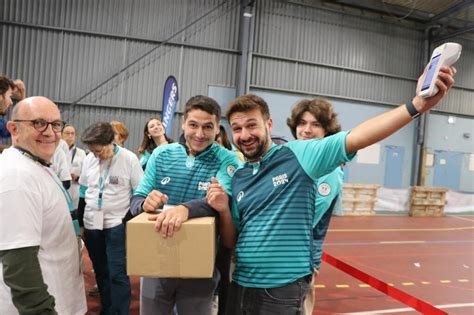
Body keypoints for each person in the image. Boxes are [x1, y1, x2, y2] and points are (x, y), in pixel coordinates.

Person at [204, 66, 456, 314]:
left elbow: (357, 136)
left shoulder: (300, 154)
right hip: (240, 283)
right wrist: (224, 209)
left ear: (269, 124)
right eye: (237, 129)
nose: (245, 135)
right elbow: (230, 240)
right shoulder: (239, 176)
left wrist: (415, 106)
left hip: (280, 289)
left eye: (252, 125)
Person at [130, 95, 242, 315]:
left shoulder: (227, 160)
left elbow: (220, 201)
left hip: (199, 266)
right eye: (193, 125)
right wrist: (145, 203)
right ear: (183, 124)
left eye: (208, 127)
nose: (199, 134)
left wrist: (185, 209)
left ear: (218, 128)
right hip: (156, 261)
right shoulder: (162, 154)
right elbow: (136, 200)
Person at [0, 96, 87, 314]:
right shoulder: (17, 176)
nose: (50, 132)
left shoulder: (36, 164)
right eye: (38, 123)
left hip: (60, 295)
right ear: (14, 129)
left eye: (56, 124)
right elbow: (19, 262)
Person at [78, 122, 143, 315]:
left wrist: (128, 220)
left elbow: (139, 191)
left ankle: (120, 311)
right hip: (92, 225)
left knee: (117, 273)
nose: (96, 155)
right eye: (92, 151)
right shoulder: (89, 159)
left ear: (111, 142)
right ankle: (107, 308)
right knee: (100, 270)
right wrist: (81, 222)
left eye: (99, 151)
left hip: (117, 224)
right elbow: (83, 191)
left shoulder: (129, 159)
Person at [286, 98, 343, 314]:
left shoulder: (329, 170)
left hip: (300, 262)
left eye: (315, 124)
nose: (306, 130)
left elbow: (305, 218)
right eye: (302, 123)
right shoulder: (294, 161)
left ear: (327, 130)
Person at [62, 124, 87, 209]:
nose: (70, 136)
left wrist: (76, 178)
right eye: (67, 133)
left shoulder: (81, 153)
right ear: (61, 135)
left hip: (75, 193)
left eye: (72, 133)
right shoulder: (57, 152)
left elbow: (86, 175)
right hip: (61, 191)